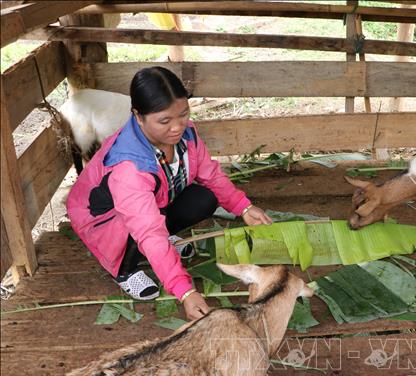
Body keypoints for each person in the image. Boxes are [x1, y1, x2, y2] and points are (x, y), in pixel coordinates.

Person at [66, 66, 272, 320]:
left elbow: (210, 173)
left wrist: (244, 207)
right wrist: (184, 291)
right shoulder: (128, 168)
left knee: (204, 198)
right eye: (164, 121)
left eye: (183, 114)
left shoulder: (186, 134)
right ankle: (123, 270)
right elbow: (149, 231)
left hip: (154, 202)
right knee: (146, 233)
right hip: (104, 221)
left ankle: (159, 249)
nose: (177, 127)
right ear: (138, 117)